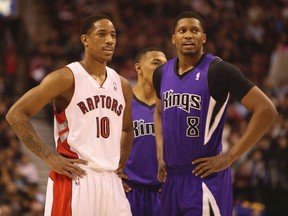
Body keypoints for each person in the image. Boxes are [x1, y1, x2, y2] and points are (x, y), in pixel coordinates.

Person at [6, 14, 133, 216]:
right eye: (102, 34)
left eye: (113, 35)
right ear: (85, 40)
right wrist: (48, 156)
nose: (110, 40)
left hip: (111, 181)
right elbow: (16, 114)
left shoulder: (123, 85)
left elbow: (127, 129)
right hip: (76, 179)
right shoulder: (66, 78)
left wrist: (120, 165)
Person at [153, 11, 278, 216]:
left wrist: (230, 157)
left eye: (194, 30)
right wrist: (160, 155)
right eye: (182, 31)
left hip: (204, 179)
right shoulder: (161, 73)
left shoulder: (219, 70)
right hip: (172, 180)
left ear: (203, 38)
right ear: (173, 38)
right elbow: (158, 112)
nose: (188, 35)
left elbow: (266, 110)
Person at [122, 47, 167, 216]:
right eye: (156, 63)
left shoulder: (171, 106)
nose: (162, 69)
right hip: (129, 191)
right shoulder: (122, 103)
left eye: (165, 65)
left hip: (162, 192)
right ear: (138, 68)